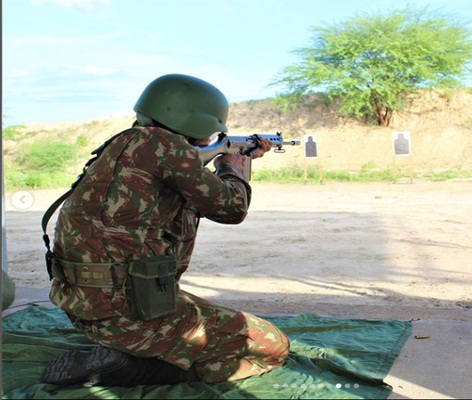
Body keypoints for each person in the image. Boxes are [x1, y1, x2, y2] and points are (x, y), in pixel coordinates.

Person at [41, 73, 290, 387]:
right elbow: (231, 209)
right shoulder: (165, 147)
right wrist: (233, 167)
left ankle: (137, 350)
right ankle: (142, 368)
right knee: (271, 345)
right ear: (196, 120)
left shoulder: (125, 144)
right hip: (130, 313)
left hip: (87, 304)